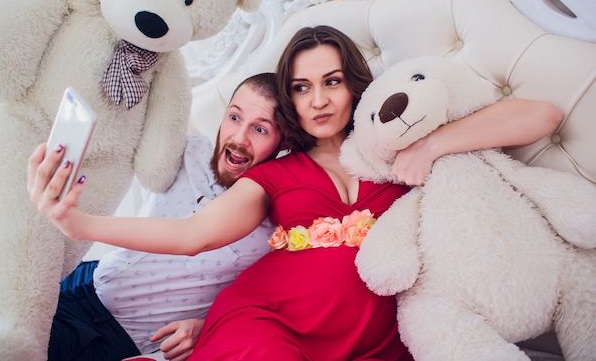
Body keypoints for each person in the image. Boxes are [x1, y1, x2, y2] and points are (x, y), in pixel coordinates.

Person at [29, 25, 562, 360]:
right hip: (265, 322)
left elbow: (542, 114)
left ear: (355, 83)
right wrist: (81, 224)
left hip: (373, 342)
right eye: (302, 88)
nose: (319, 100)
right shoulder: (278, 173)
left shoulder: (398, 139)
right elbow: (193, 235)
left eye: (332, 81)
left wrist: (431, 146)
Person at [47, 72, 286, 361]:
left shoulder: (272, 230)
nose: (239, 138)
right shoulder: (189, 149)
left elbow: (263, 309)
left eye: (260, 129)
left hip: (112, 332)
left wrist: (207, 326)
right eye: (234, 118)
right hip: (86, 274)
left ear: (282, 143)